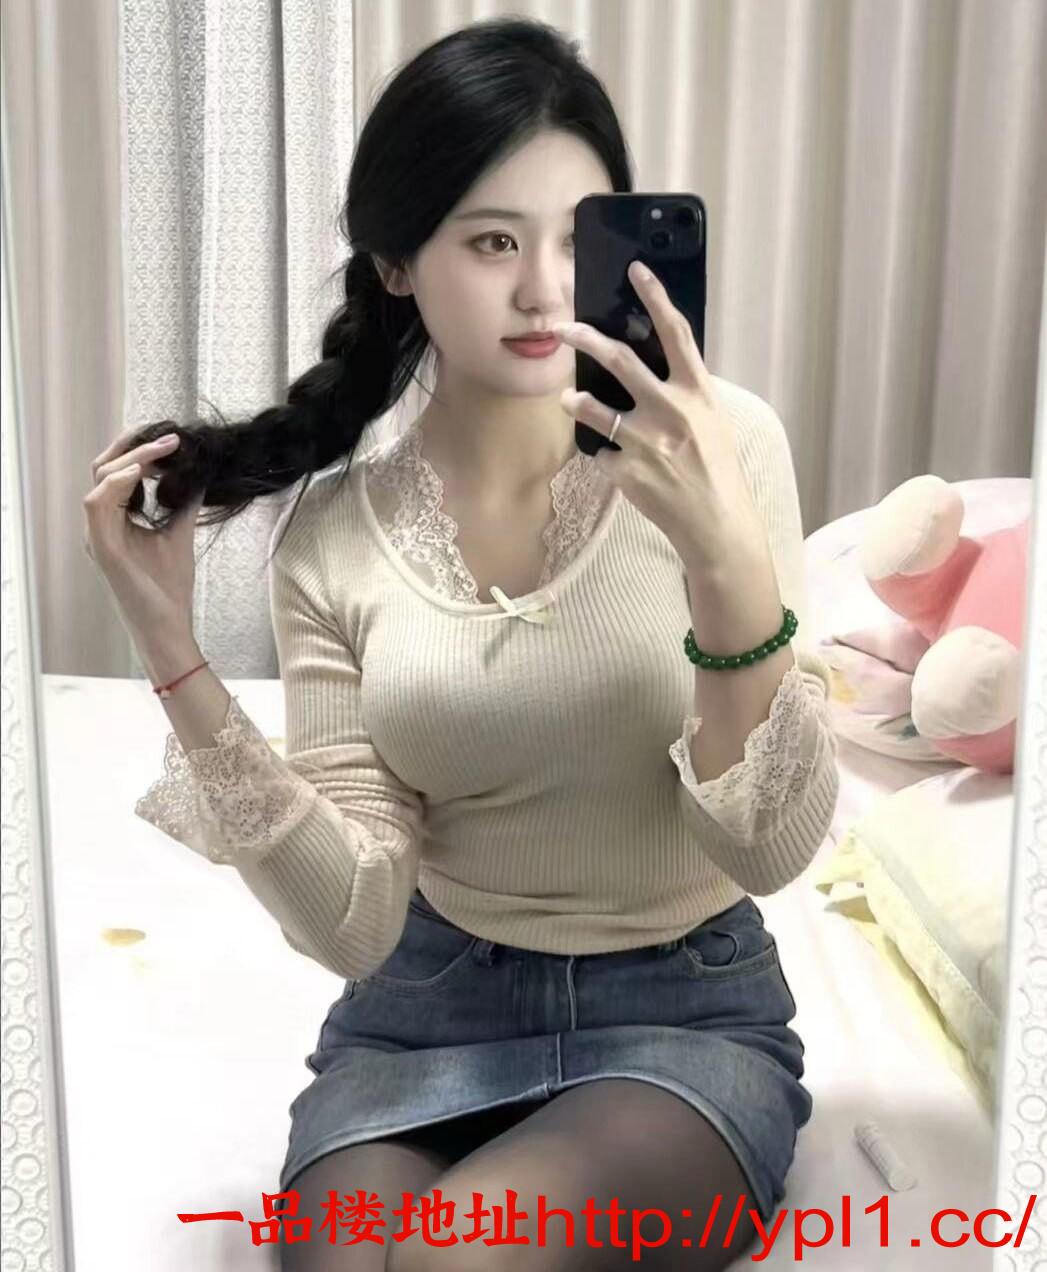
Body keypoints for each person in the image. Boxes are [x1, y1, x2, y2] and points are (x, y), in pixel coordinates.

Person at [82, 16, 839, 1271]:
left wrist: (724, 562)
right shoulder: (335, 536)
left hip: (683, 1012)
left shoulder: (726, 447)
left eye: (577, 238)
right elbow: (354, 923)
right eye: (493, 243)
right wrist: (171, 646)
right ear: (396, 261)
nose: (544, 291)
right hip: (420, 1014)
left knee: (461, 1254)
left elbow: (771, 846)